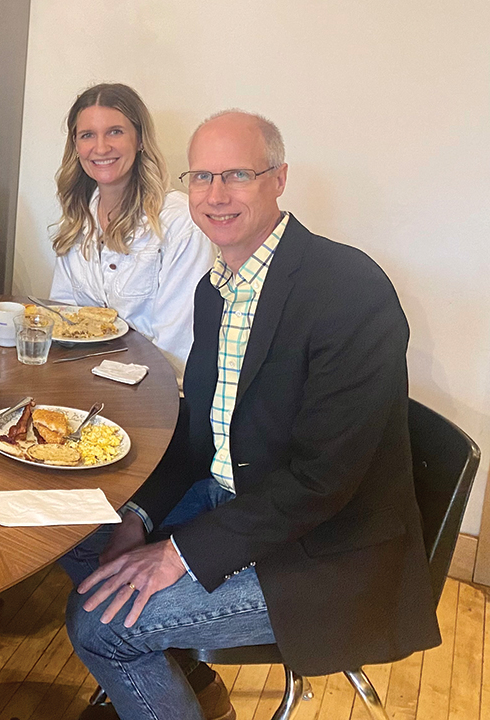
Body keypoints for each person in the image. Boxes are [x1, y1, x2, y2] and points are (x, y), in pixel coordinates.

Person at [60, 111, 440, 720]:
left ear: (279, 178)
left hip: (324, 550)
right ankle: (196, 689)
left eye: (237, 174)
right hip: (242, 503)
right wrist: (136, 518)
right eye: (203, 176)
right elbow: (198, 436)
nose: (216, 195)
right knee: (79, 538)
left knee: (100, 623)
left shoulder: (349, 289)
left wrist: (176, 554)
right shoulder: (219, 287)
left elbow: (322, 483)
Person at [50, 83, 215, 382]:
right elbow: (63, 318)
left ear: (139, 140)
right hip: (85, 383)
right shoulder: (78, 217)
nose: (101, 148)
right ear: (76, 146)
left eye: (115, 131)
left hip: (156, 395)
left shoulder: (179, 222)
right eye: (88, 135)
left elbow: (176, 348)